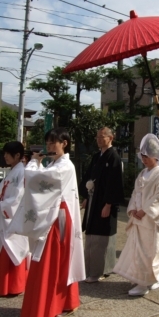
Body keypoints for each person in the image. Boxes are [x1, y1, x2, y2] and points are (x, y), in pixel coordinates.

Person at [8, 127, 85, 317]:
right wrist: (37, 163)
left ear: (64, 144)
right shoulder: (56, 164)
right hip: (53, 214)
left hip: (57, 217)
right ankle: (61, 302)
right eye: (48, 142)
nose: (49, 146)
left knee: (51, 260)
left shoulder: (65, 166)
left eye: (53, 142)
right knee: (53, 260)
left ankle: (48, 305)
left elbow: (38, 179)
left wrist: (34, 163)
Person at [113, 134, 159, 296]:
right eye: (143, 156)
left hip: (150, 221)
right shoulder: (142, 173)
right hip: (139, 219)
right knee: (137, 251)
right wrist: (132, 208)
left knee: (150, 252)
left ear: (155, 156)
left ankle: (146, 282)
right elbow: (135, 193)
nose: (144, 160)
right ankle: (140, 279)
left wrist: (144, 210)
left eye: (146, 157)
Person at [80, 127, 124, 283]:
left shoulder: (114, 157)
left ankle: (101, 270)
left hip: (105, 202)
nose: (98, 139)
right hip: (94, 199)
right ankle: (89, 268)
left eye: (102, 136)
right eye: (97, 136)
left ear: (110, 138)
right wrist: (86, 196)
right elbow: (90, 176)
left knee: (102, 237)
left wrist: (109, 204)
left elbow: (115, 183)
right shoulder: (97, 156)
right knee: (91, 235)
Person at [0, 141, 29, 296]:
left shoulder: (21, 172)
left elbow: (17, 199)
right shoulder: (13, 172)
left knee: (12, 249)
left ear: (17, 155)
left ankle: (13, 286)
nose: (4, 156)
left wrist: (3, 205)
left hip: (12, 218)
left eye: (7, 153)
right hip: (5, 216)